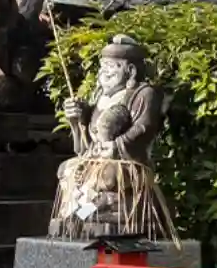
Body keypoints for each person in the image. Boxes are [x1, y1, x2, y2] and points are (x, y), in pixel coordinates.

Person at [49, 35, 172, 241]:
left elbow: (144, 128)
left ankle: (95, 212)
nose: (104, 71)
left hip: (126, 161)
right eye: (102, 66)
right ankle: (76, 214)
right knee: (67, 169)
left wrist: (116, 146)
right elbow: (84, 146)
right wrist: (76, 120)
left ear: (130, 70)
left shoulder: (143, 94)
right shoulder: (99, 97)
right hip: (96, 157)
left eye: (111, 66)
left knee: (108, 176)